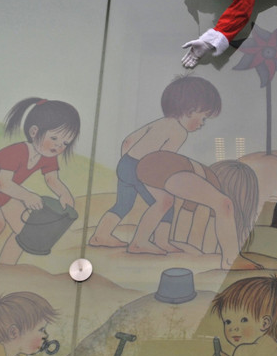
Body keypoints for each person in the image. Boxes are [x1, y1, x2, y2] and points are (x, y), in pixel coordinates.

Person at [90, 75, 222, 250]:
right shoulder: (179, 132)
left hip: (127, 163)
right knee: (166, 201)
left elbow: (128, 141)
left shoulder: (160, 122)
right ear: (190, 110)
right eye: (203, 118)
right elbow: (162, 162)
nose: (202, 124)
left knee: (123, 204)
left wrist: (127, 165)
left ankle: (100, 235)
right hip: (143, 169)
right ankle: (142, 242)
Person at [0, 98, 80, 268]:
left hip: (8, 194)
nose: (58, 146)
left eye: (65, 143)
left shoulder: (48, 156)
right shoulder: (16, 152)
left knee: (25, 231)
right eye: (54, 138)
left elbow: (52, 179)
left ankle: (5, 268)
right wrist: (27, 196)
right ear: (34, 132)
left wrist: (64, 195)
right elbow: (3, 184)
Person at [128, 152, 260, 270]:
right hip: (167, 168)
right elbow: (224, 208)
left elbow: (188, 209)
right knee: (224, 204)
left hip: (148, 165)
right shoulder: (213, 183)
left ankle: (138, 242)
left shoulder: (203, 180)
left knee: (164, 202)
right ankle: (230, 260)